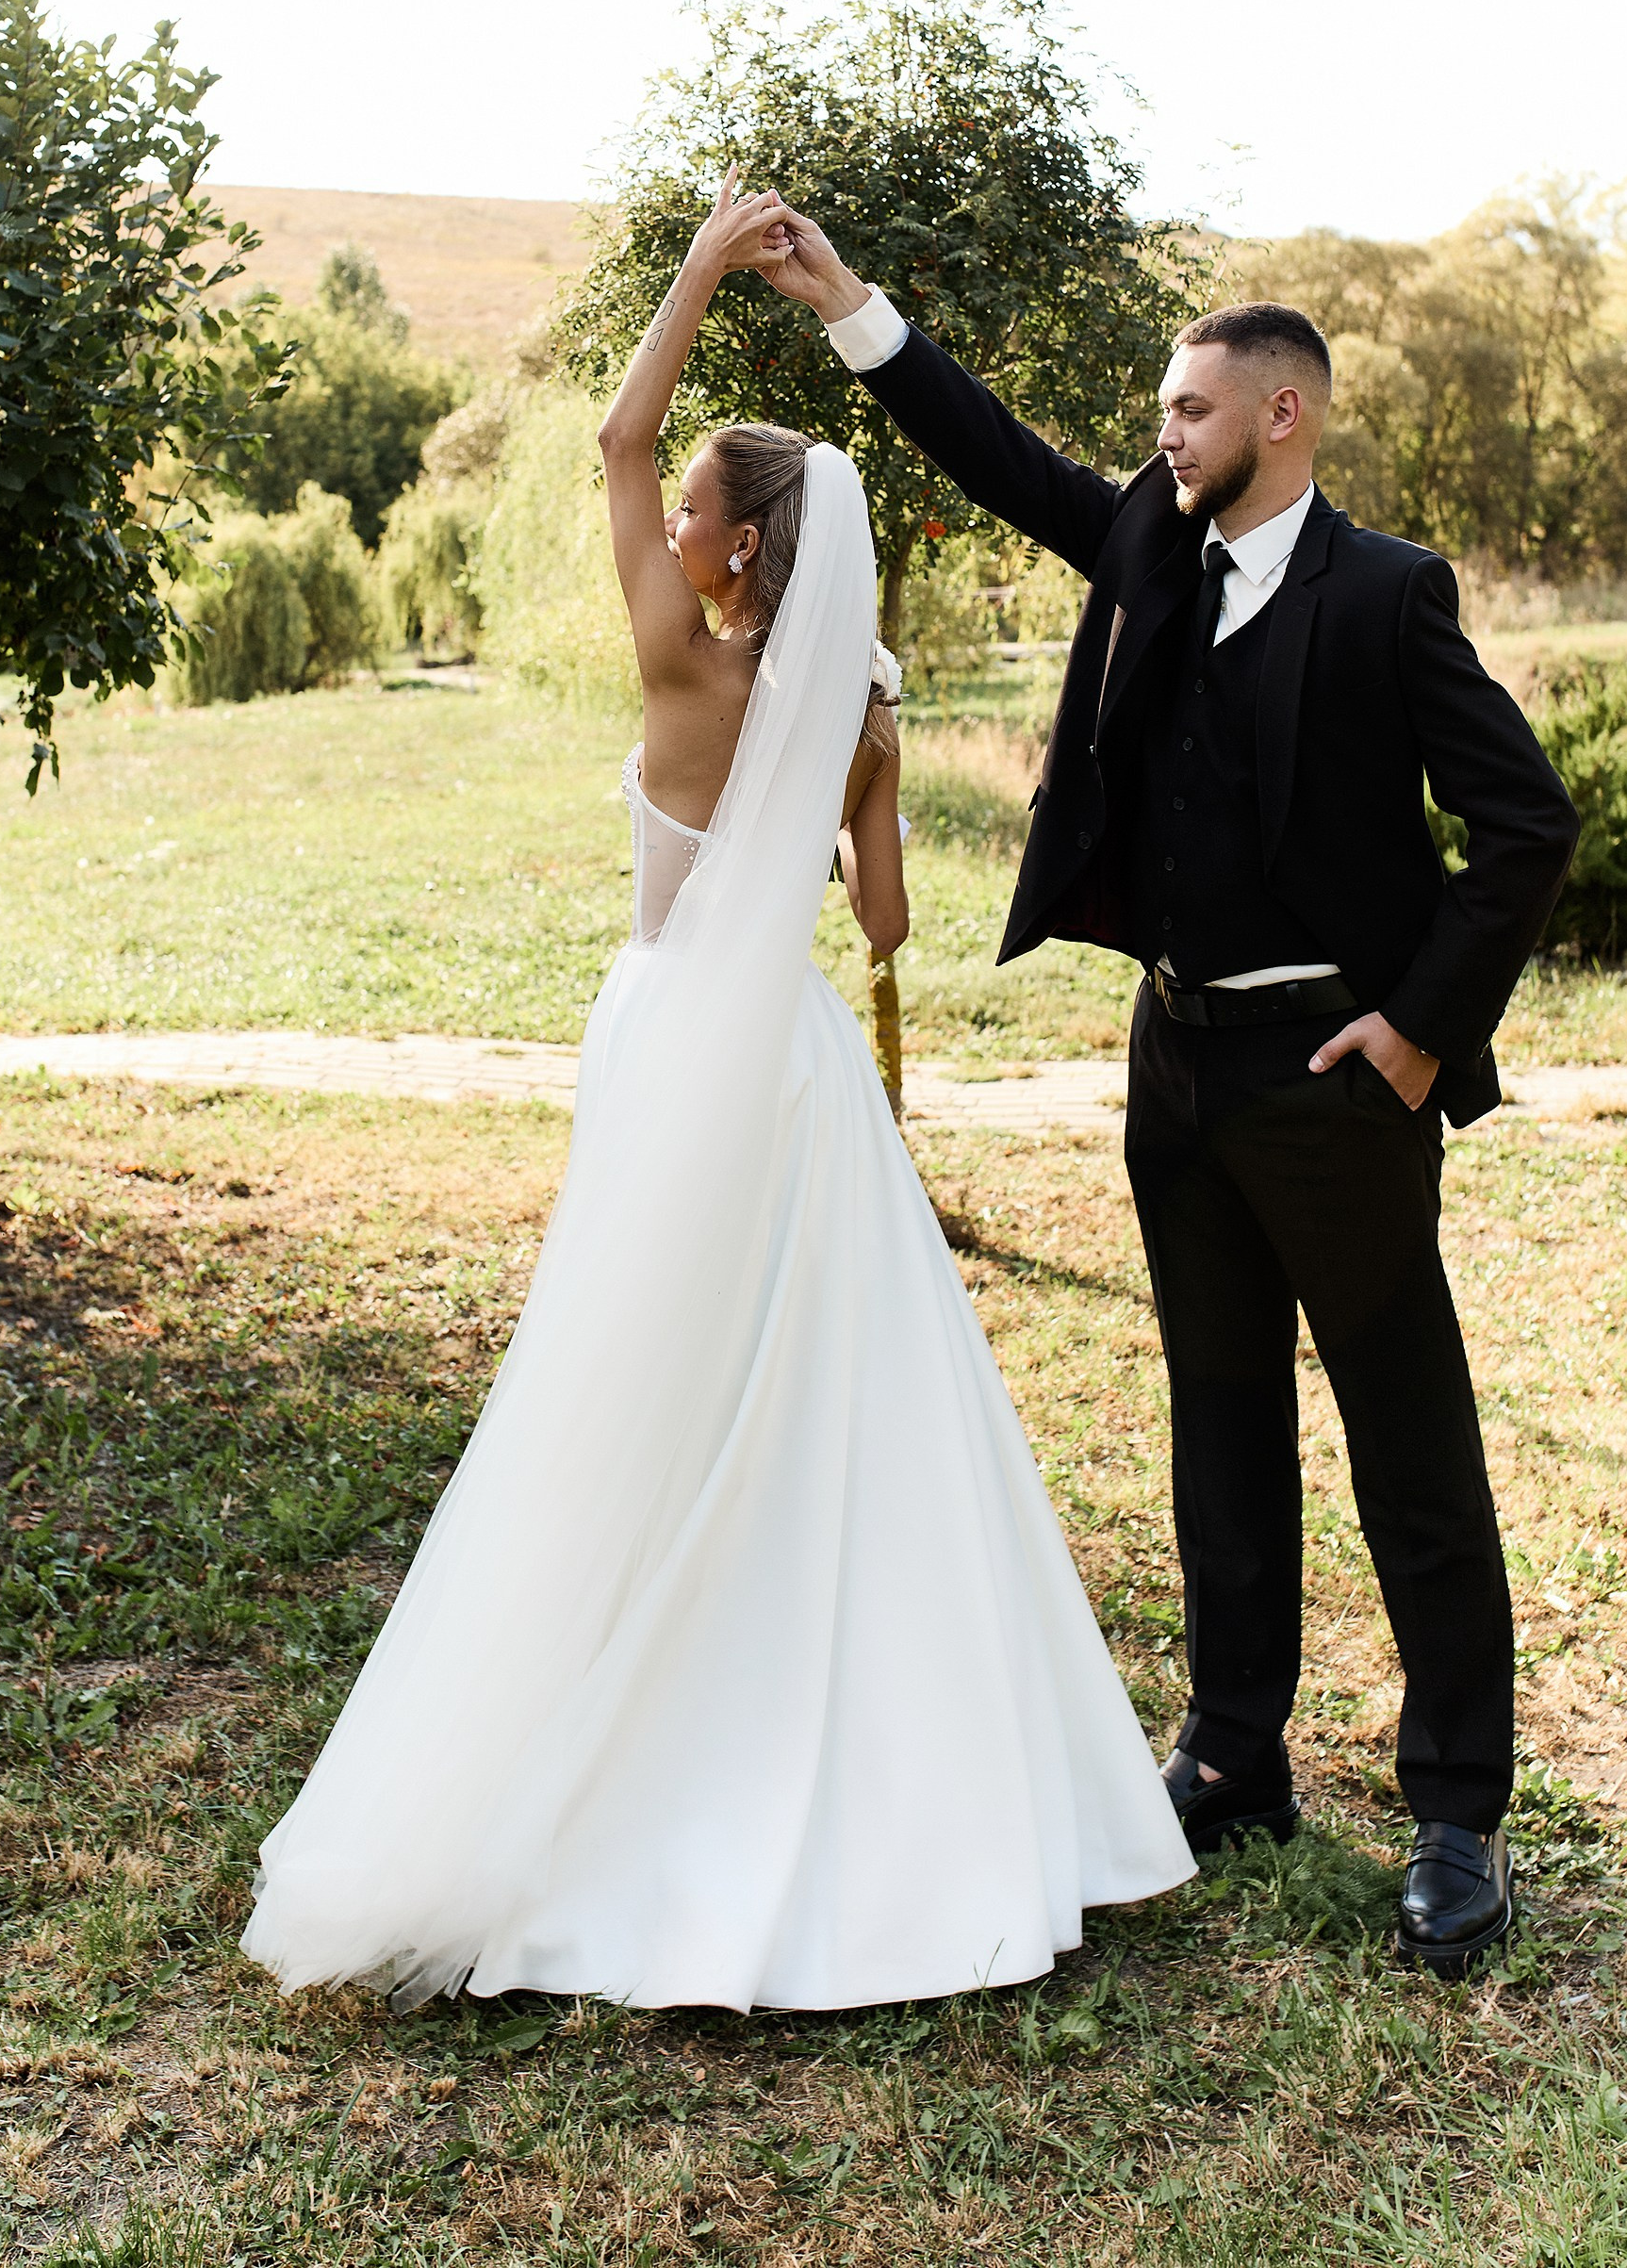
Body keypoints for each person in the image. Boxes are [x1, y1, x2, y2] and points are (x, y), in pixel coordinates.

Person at [238, 172, 1192, 2013]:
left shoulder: (679, 668)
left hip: (679, 1041)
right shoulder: (857, 712)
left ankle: (647, 1718)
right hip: (801, 1077)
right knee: (830, 1393)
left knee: (632, 1382)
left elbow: (615, 434)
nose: (667, 519)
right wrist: (864, 761)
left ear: (739, 553)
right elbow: (886, 926)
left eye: (692, 511)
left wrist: (692, 271)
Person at [753, 212, 1579, 1980]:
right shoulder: (1149, 541)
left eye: (1192, 410)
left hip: (1335, 1077)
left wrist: (1418, 1034)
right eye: (1162, 410)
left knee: (1407, 1436)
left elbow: (1528, 825)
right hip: (1177, 1063)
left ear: (1285, 415)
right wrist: (849, 310)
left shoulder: (1389, 595)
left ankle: (1456, 1815)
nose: (1163, 434)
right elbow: (1000, 457)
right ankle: (1234, 1753)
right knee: (1220, 1412)